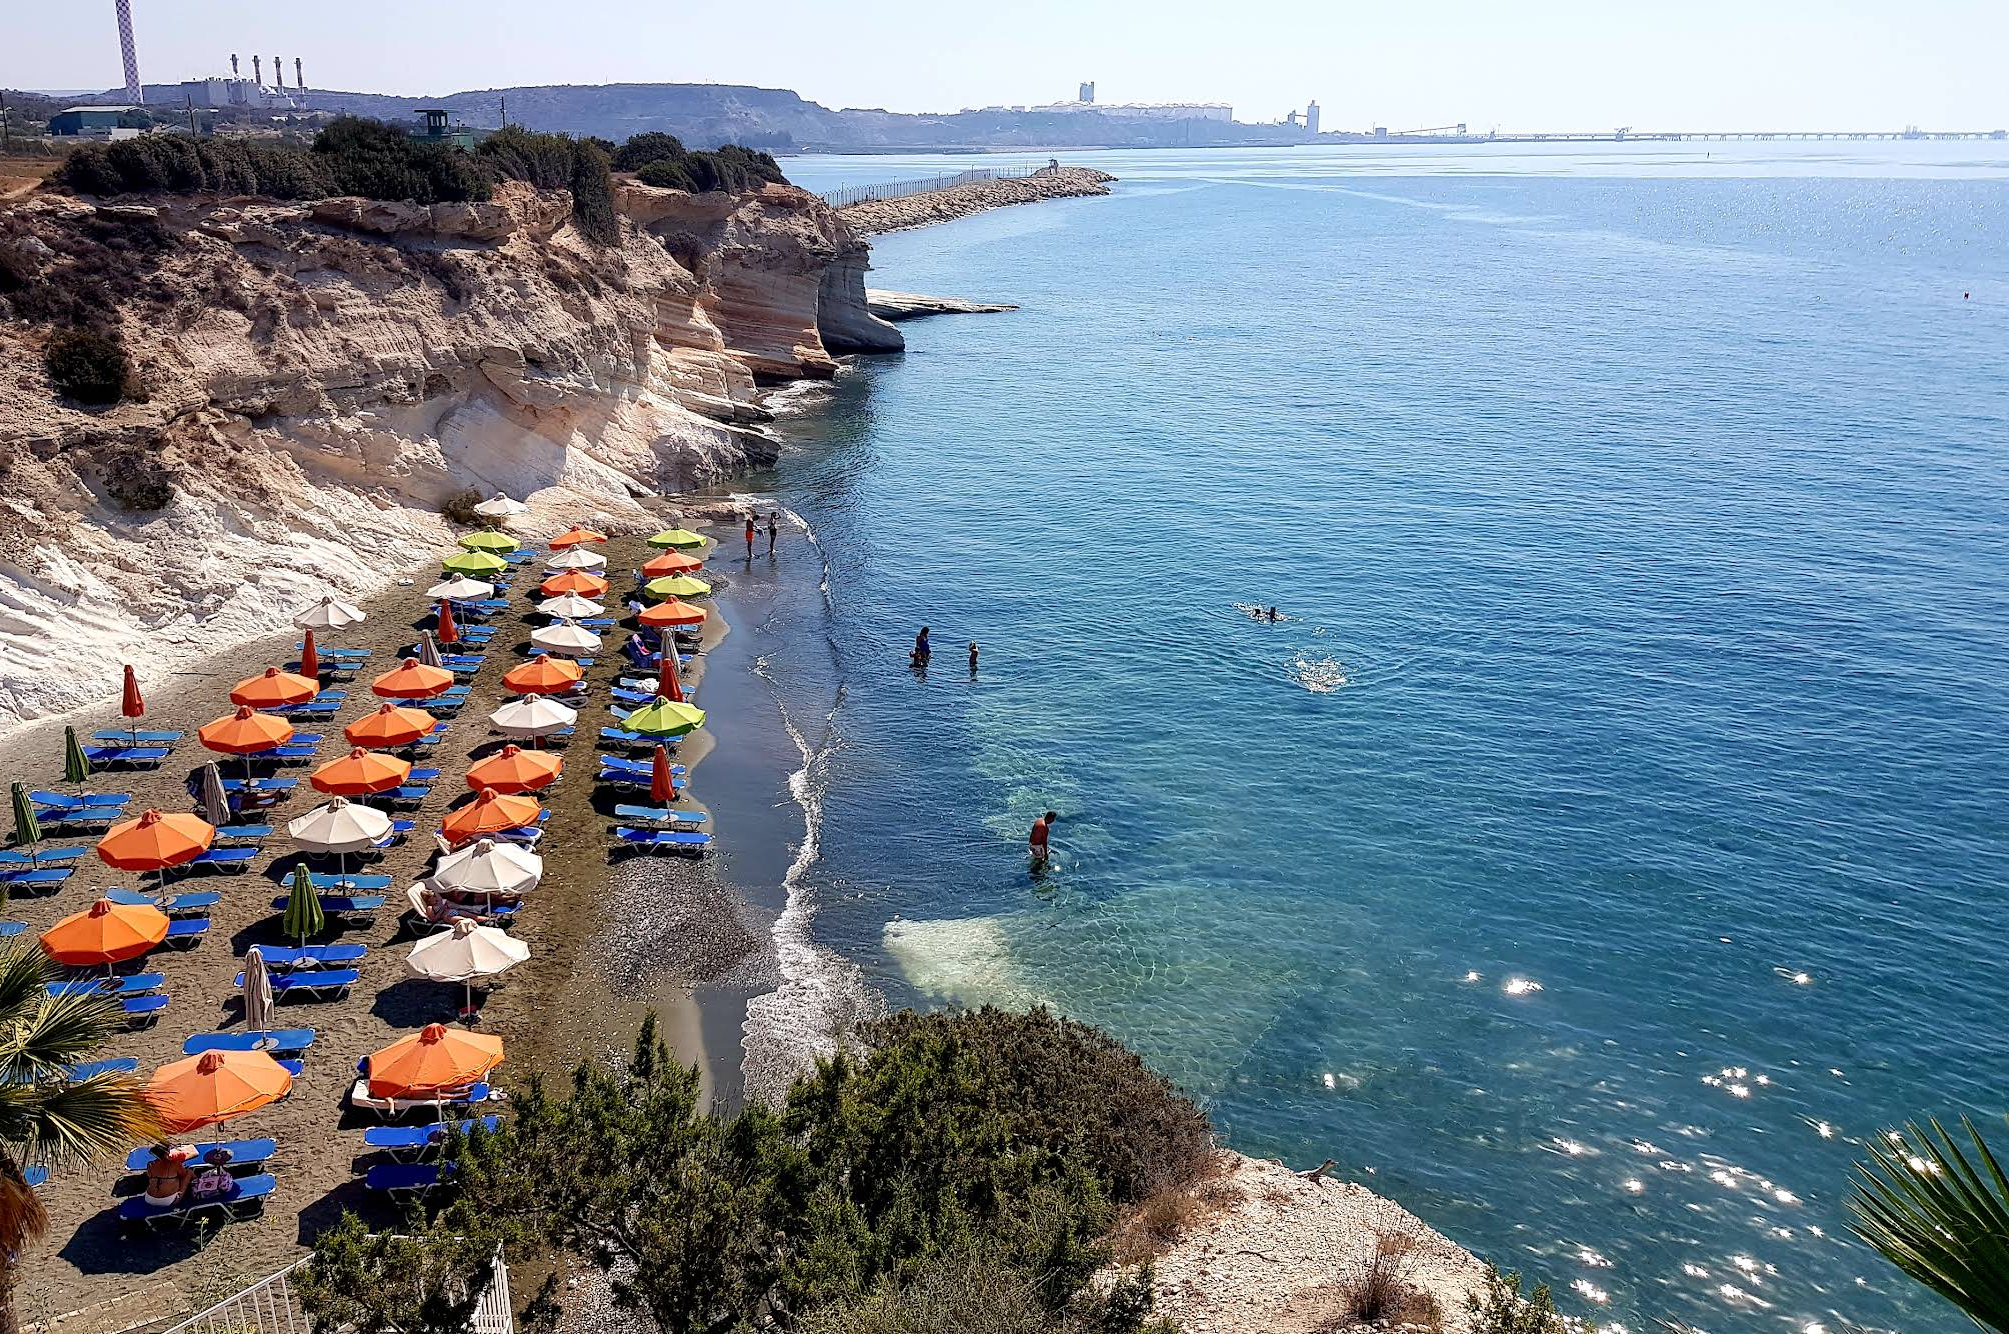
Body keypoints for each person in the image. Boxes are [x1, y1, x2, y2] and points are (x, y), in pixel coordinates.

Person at [142, 1143, 193, 1208]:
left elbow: (149, 1176)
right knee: (189, 1173)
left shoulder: (151, 1164)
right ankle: (197, 1185)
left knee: (168, 1179)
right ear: (168, 1152)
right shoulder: (175, 1163)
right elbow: (183, 1174)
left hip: (149, 1199)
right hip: (167, 1201)